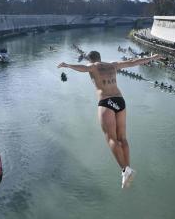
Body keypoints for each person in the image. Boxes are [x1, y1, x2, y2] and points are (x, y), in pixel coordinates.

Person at [58, 51, 163, 188]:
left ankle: (125, 170)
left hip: (106, 102)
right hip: (120, 101)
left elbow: (83, 68)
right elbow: (133, 62)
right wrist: (151, 57)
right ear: (100, 57)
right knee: (122, 138)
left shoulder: (93, 66)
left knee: (111, 138)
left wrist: (67, 65)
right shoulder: (113, 65)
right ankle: (127, 169)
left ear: (90, 59)